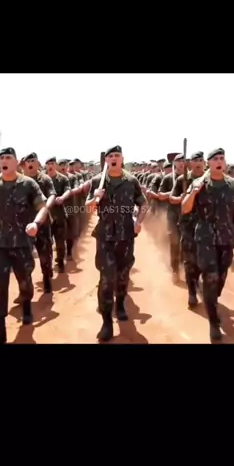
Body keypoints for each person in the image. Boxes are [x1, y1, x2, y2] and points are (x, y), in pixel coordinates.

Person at [0, 148, 47, 344]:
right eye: (1, 158)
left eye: (8, 158)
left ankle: (26, 307)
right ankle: (0, 331)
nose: (4, 161)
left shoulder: (28, 184)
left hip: (21, 242)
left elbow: (42, 207)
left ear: (16, 162)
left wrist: (36, 223)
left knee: (25, 280)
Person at [181, 148, 234, 341]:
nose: (220, 161)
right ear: (208, 163)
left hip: (227, 237)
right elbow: (185, 208)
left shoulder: (233, 184)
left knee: (220, 278)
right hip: (205, 237)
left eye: (222, 158)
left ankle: (211, 296)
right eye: (215, 159)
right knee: (211, 277)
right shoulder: (199, 183)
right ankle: (213, 322)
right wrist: (193, 192)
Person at [86, 145, 147, 342]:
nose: (113, 158)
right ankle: (106, 321)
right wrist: (95, 199)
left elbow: (143, 204)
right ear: (106, 160)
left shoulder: (131, 181)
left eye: (117, 155)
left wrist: (138, 222)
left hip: (126, 236)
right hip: (105, 236)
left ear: (122, 159)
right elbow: (88, 209)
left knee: (122, 275)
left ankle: (120, 304)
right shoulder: (97, 181)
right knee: (106, 278)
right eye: (110, 156)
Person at [171, 151, 205, 307]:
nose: (198, 163)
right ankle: (192, 291)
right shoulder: (182, 180)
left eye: (200, 160)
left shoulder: (210, 179)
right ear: (190, 163)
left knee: (204, 259)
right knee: (190, 259)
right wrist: (182, 197)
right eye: (195, 160)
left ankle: (197, 279)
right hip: (188, 225)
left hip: (207, 226)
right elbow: (172, 198)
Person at [20, 153, 56, 292]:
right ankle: (26, 288)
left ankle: (46, 278)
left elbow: (52, 194)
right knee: (24, 257)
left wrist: (46, 207)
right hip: (25, 224)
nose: (30, 163)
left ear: (37, 163)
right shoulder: (20, 180)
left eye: (32, 160)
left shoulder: (45, 179)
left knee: (45, 254)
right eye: (28, 161)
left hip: (42, 223)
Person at [158, 154, 185, 281]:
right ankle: (175, 269)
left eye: (184, 160)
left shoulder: (191, 178)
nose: (181, 163)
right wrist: (175, 194)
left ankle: (187, 269)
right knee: (174, 242)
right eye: (179, 161)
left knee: (187, 243)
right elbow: (160, 195)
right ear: (174, 163)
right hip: (173, 215)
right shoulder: (169, 178)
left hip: (189, 216)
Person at [45, 157, 72, 271]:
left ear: (55, 165)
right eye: (48, 164)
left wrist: (62, 198)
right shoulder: (42, 179)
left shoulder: (63, 179)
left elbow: (68, 190)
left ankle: (60, 261)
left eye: (52, 163)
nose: (50, 165)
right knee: (46, 243)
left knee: (60, 241)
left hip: (59, 215)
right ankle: (47, 266)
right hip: (45, 217)